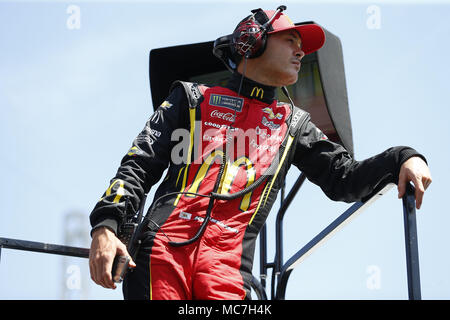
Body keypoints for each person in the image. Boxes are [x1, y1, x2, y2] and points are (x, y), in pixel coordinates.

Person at [88, 7, 432, 300]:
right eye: (290, 41)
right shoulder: (191, 98)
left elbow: (343, 178)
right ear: (252, 40)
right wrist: (106, 226)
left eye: (302, 47)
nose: (301, 52)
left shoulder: (294, 124)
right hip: (160, 254)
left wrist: (403, 156)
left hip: (229, 271)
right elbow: (138, 165)